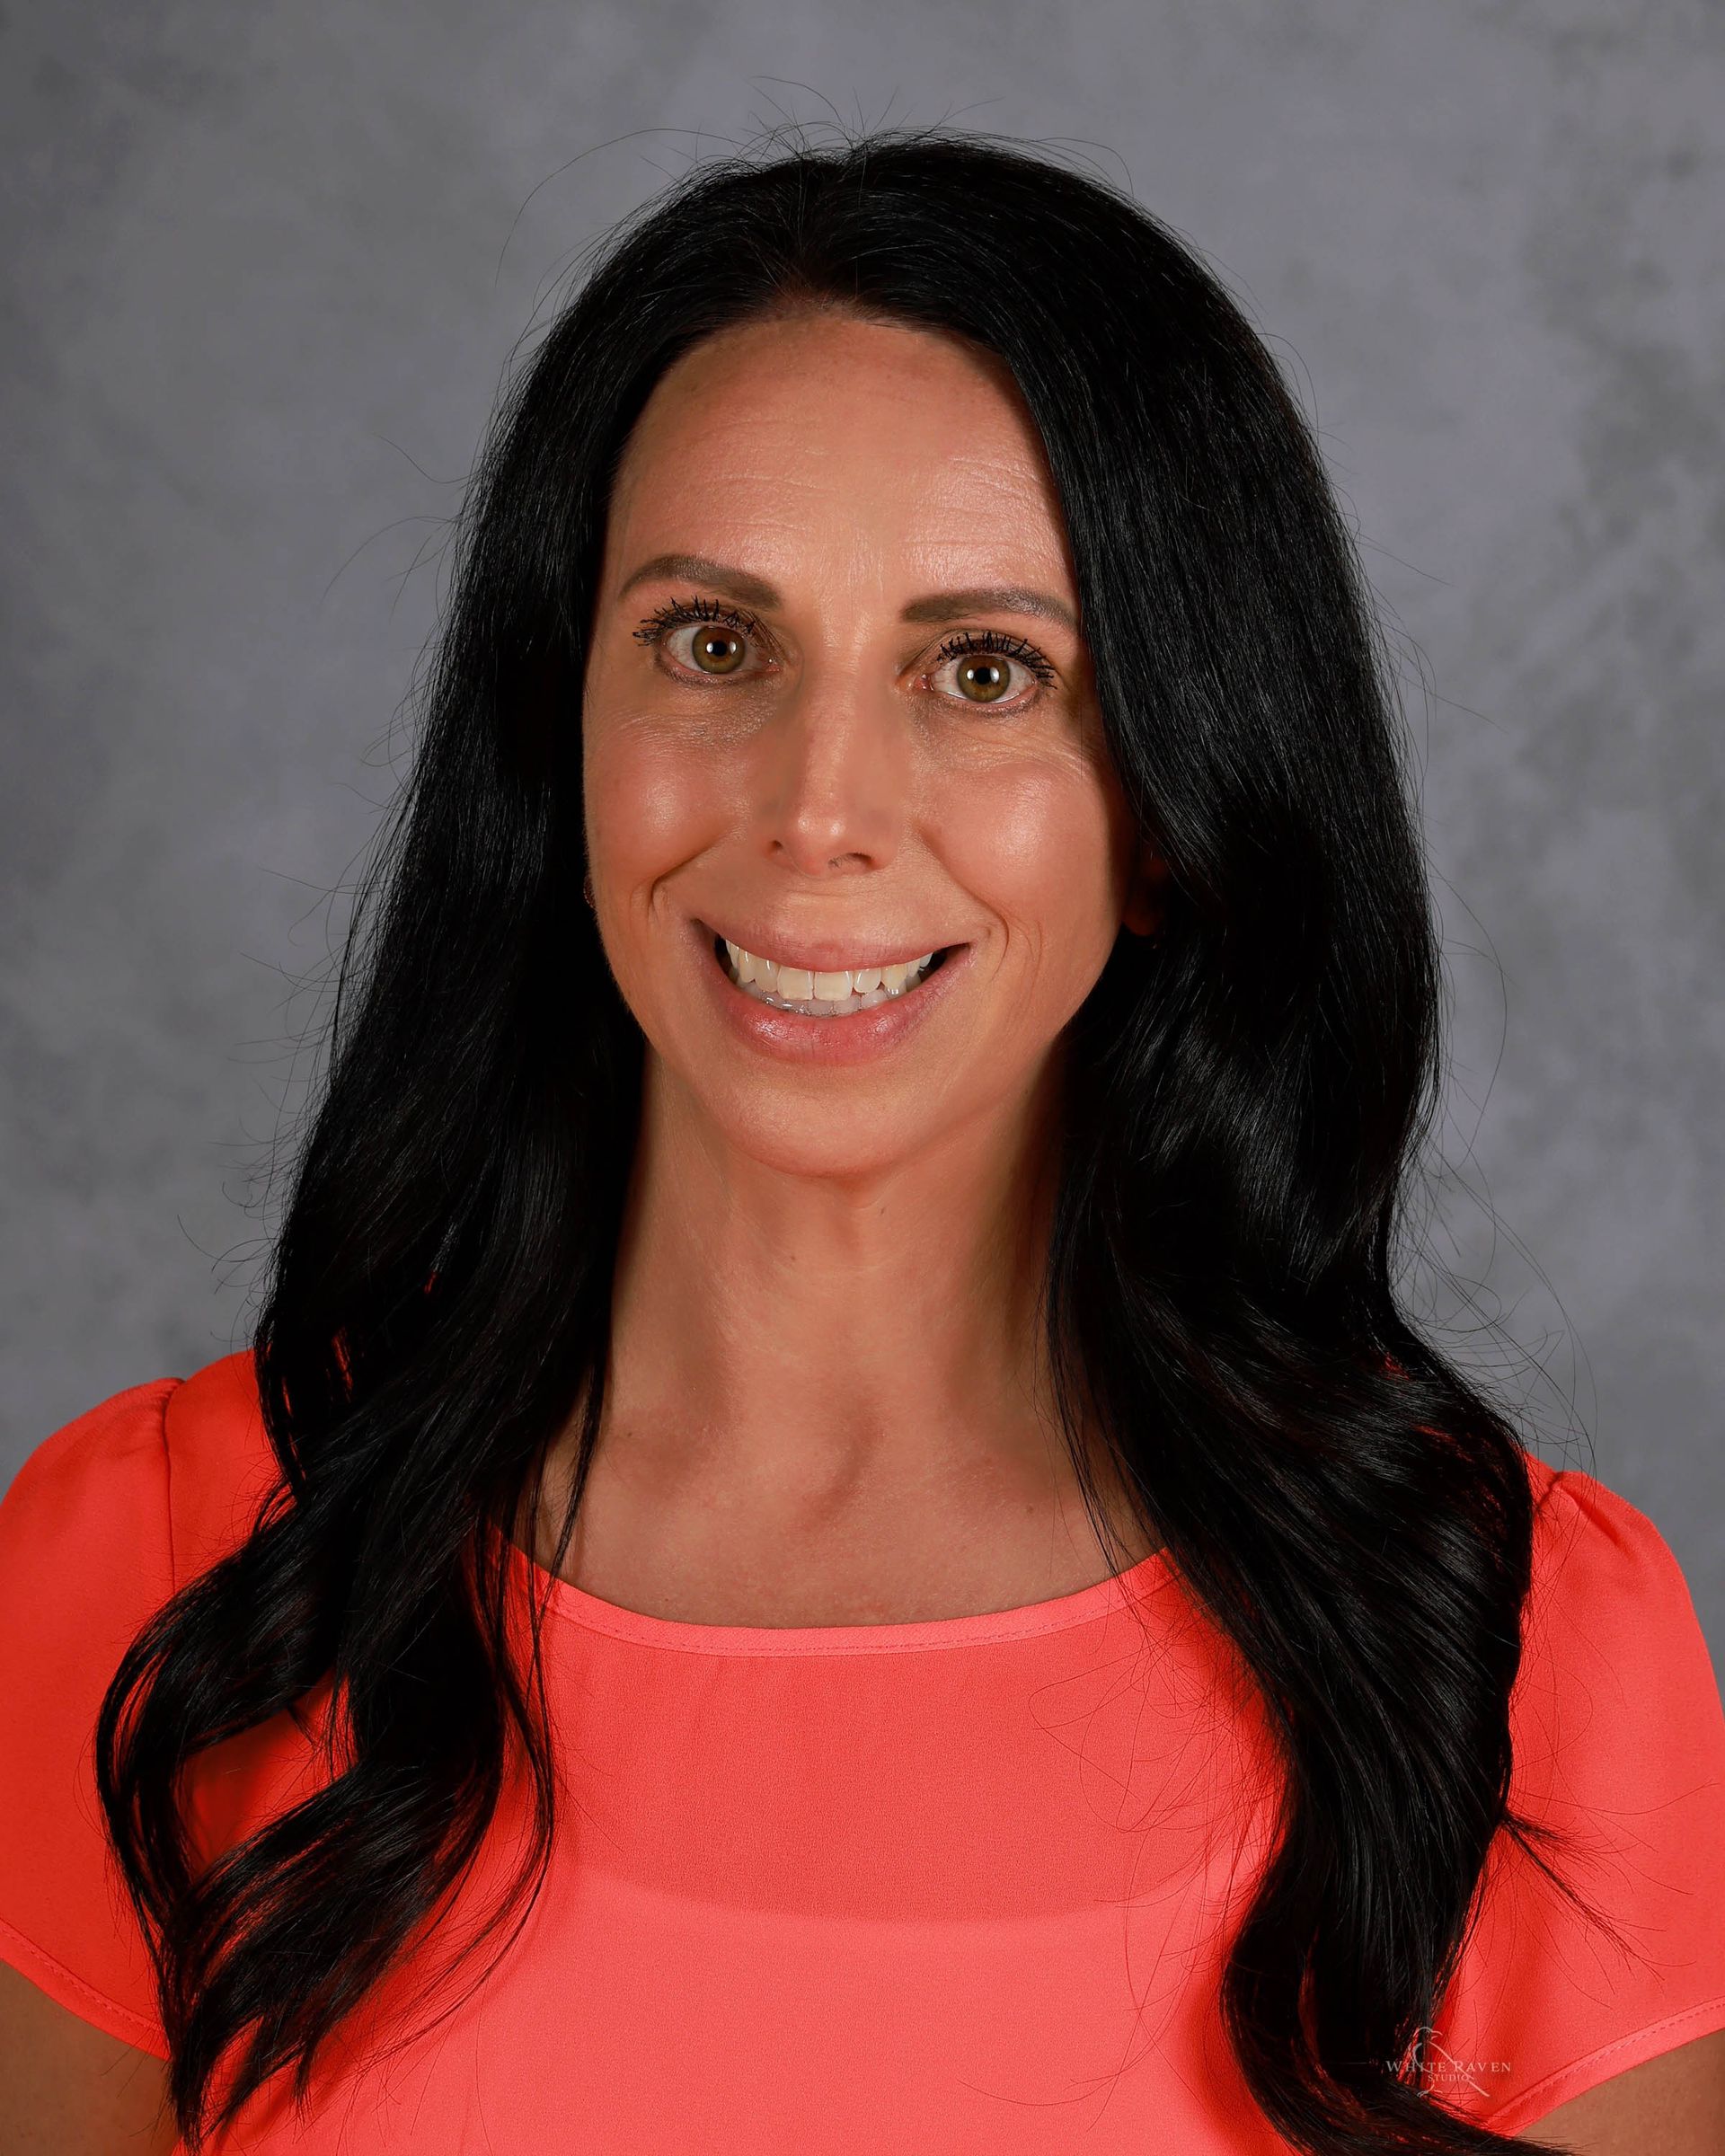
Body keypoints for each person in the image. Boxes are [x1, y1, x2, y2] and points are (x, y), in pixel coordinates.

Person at [3, 124, 1723, 2156]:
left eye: (985, 672)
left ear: (1171, 810)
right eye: (712, 644)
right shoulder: (163, 1575)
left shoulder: (1518, 1656)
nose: (818, 810)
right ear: (560, 741)